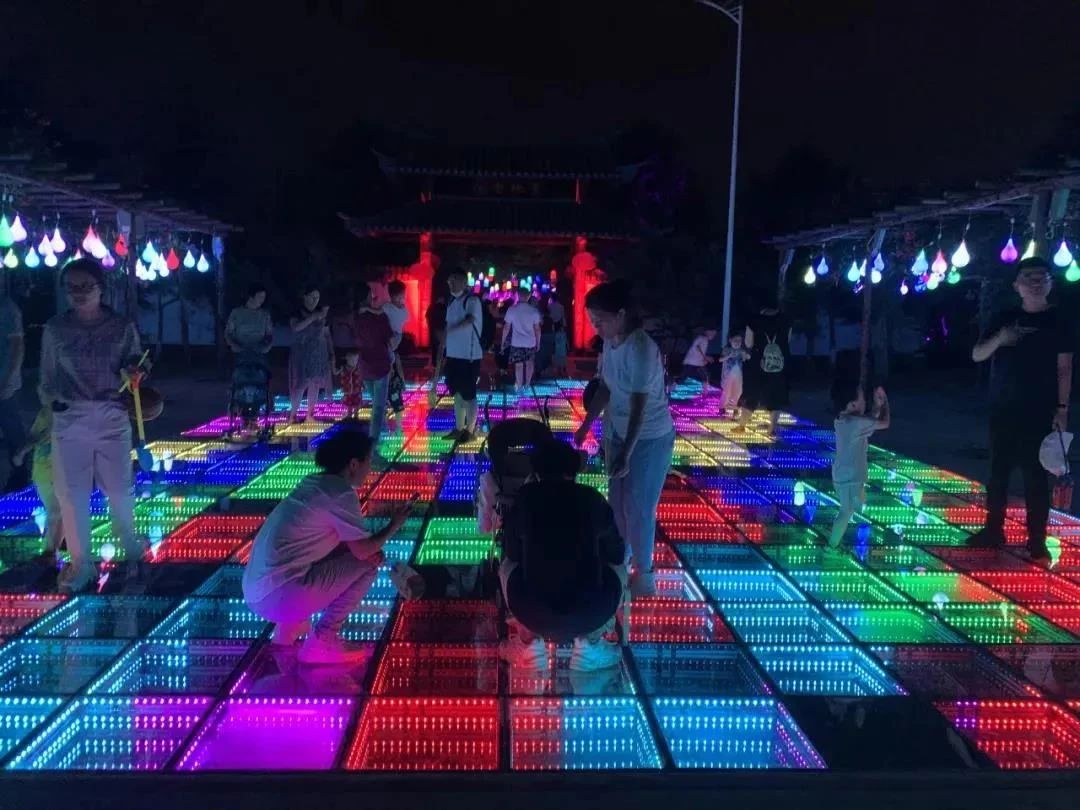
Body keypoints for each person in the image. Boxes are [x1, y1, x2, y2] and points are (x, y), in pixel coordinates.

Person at [242, 428, 413, 664]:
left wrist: (365, 549)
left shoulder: (315, 483)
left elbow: (331, 543)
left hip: (256, 592)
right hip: (279, 595)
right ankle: (323, 640)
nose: (370, 468)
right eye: (368, 461)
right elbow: (363, 551)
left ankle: (288, 628)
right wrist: (395, 524)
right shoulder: (340, 493)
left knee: (351, 557)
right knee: (367, 565)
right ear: (353, 464)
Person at [40, 258, 145, 593]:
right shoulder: (55, 329)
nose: (79, 293)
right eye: (72, 287)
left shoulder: (121, 327)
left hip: (112, 415)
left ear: (101, 288)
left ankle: (132, 555)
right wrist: (52, 400)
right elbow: (47, 378)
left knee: (120, 490)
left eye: (86, 286)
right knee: (71, 494)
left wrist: (135, 373)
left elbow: (135, 363)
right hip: (70, 418)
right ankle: (81, 564)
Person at [967, 257, 1074, 561]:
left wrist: (1062, 408)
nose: (1036, 283)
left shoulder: (1059, 320)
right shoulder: (1005, 317)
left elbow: (1064, 367)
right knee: (998, 472)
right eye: (1029, 277)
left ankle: (1036, 539)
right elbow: (977, 354)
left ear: (1050, 283)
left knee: (1035, 476)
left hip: (1040, 409)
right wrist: (1001, 338)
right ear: (1017, 285)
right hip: (1003, 406)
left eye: (1042, 277)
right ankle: (993, 529)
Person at [573, 281, 675, 598]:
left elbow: (638, 408)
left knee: (640, 505)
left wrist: (626, 454)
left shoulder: (641, 349)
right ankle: (620, 559)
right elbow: (605, 388)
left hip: (650, 437)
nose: (596, 326)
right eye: (592, 320)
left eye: (600, 320)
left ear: (620, 315)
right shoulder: (610, 343)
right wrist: (586, 425)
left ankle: (645, 575)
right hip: (618, 432)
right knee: (616, 503)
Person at [499, 438, 626, 672]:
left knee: (506, 565)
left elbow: (512, 553)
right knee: (621, 566)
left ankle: (529, 643)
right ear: (574, 470)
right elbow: (617, 554)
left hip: (532, 612)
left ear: (536, 471)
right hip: (591, 613)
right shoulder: (591, 498)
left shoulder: (526, 499)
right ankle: (590, 644)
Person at [829, 386, 890, 549]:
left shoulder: (843, 419)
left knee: (850, 508)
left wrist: (877, 406)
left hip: (845, 473)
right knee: (846, 511)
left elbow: (868, 423)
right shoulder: (855, 422)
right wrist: (885, 402)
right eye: (861, 399)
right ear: (852, 404)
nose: (864, 402)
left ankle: (835, 543)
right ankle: (832, 546)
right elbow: (884, 423)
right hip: (849, 475)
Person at [13, 398, 62, 555]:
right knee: (56, 512)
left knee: (56, 512)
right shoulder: (46, 412)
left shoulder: (54, 412)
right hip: (45, 472)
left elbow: (39, 436)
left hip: (53, 472)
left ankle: (50, 552)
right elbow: (35, 436)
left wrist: (22, 452)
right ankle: (52, 552)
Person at [442, 269, 484, 441]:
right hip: (453, 355)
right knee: (457, 394)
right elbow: (447, 325)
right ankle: (459, 428)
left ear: (464, 282)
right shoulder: (452, 302)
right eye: (449, 281)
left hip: (469, 356)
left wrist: (451, 330)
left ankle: (470, 430)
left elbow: (470, 319)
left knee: (469, 394)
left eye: (454, 280)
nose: (450, 284)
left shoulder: (472, 300)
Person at [739, 301, 791, 436]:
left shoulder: (754, 321)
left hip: (758, 363)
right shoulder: (786, 320)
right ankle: (772, 429)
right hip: (779, 365)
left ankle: (742, 425)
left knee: (752, 394)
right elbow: (787, 341)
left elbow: (748, 343)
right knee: (776, 397)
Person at [354, 282, 393, 452]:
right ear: (368, 297)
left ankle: (380, 432)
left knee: (377, 403)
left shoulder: (354, 317)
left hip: (364, 365)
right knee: (378, 407)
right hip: (380, 364)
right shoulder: (379, 317)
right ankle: (373, 445)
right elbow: (390, 339)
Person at [287, 285, 334, 423]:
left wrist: (331, 353)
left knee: (315, 383)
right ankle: (293, 414)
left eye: (317, 298)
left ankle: (310, 414)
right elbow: (296, 327)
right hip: (301, 353)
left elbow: (327, 334)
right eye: (312, 297)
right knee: (300, 383)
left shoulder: (321, 314)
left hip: (319, 353)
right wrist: (313, 317)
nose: (315, 300)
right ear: (305, 297)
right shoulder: (297, 313)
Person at [0, 289, 27, 492]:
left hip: (4, 383)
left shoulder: (8, 309)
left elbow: (18, 347)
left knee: (12, 430)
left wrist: (8, 379)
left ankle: (20, 474)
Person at [502, 293, 542, 391]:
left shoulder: (512, 310)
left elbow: (506, 327)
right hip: (530, 342)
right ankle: (527, 384)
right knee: (529, 363)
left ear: (518, 296)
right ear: (528, 297)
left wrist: (503, 341)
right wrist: (538, 342)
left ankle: (519, 386)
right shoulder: (533, 311)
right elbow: (537, 329)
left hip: (517, 342)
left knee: (518, 365)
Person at [384, 280, 410, 429]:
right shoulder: (387, 308)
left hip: (396, 336)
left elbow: (404, 319)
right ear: (392, 296)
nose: (402, 299)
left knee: (393, 356)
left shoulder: (402, 309)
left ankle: (397, 424)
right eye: (400, 297)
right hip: (391, 337)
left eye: (403, 296)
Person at [226, 284, 274, 361]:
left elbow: (270, 334)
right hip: (240, 352)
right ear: (251, 297)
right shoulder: (236, 312)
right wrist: (234, 345)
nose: (262, 300)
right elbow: (228, 333)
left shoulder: (265, 315)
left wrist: (267, 347)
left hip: (259, 353)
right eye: (260, 297)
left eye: (264, 297)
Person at [719, 331, 750, 417]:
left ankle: (733, 407)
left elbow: (746, 358)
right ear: (730, 340)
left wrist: (745, 355)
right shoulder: (727, 349)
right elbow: (720, 359)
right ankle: (722, 407)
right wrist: (729, 356)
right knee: (727, 391)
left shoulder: (741, 350)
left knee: (738, 391)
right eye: (735, 340)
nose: (737, 343)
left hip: (738, 374)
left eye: (739, 341)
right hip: (728, 373)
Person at [336, 350, 363, 420]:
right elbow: (336, 373)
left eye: (355, 360)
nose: (354, 362)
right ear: (347, 360)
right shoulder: (344, 368)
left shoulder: (359, 369)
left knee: (356, 406)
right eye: (352, 360)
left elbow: (362, 378)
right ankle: (349, 418)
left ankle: (356, 418)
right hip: (347, 391)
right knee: (349, 407)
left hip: (357, 391)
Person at [548, 295, 568, 377]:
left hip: (552, 327)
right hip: (560, 328)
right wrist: (564, 326)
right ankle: (562, 366)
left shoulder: (549, 306)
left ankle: (555, 365)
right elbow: (563, 317)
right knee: (562, 348)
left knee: (554, 347)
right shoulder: (561, 306)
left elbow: (549, 317)